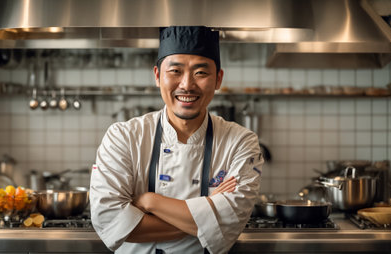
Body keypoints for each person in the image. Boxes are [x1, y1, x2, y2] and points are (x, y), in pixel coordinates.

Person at [90, 26, 264, 254]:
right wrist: (209, 218)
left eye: (200, 73)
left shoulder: (241, 142)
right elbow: (110, 222)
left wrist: (150, 202)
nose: (187, 85)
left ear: (218, 79)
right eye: (175, 71)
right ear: (157, 76)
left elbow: (231, 224)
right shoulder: (123, 137)